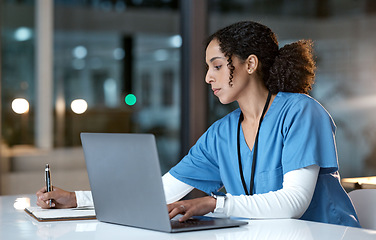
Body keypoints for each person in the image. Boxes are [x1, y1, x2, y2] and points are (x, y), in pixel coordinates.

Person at [37, 21, 360, 227]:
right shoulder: (222, 133)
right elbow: (159, 192)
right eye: (208, 67)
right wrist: (79, 199)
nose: (208, 77)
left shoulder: (301, 111)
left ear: (250, 64)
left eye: (217, 66)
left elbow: (293, 203)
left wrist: (212, 203)